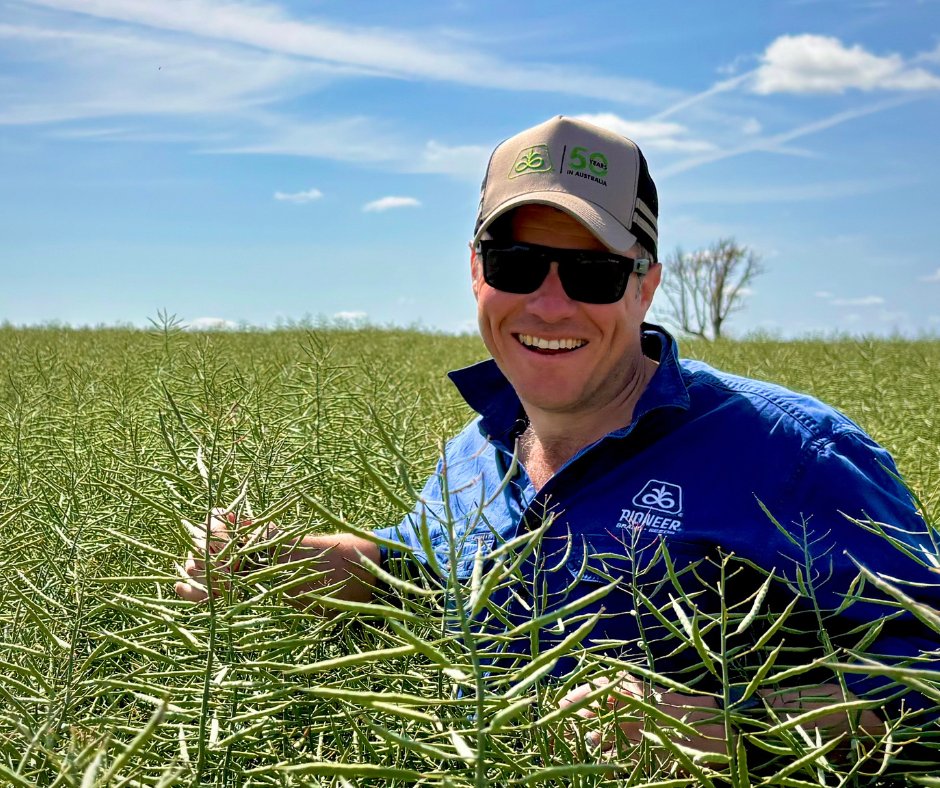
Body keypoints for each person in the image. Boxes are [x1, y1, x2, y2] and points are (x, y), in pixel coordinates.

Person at [176, 115, 938, 756]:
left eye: (592, 273)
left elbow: (929, 671)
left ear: (646, 282)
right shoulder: (472, 455)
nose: (548, 305)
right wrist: (305, 565)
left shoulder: (793, 455)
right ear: (477, 272)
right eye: (517, 263)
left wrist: (729, 726)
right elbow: (428, 577)